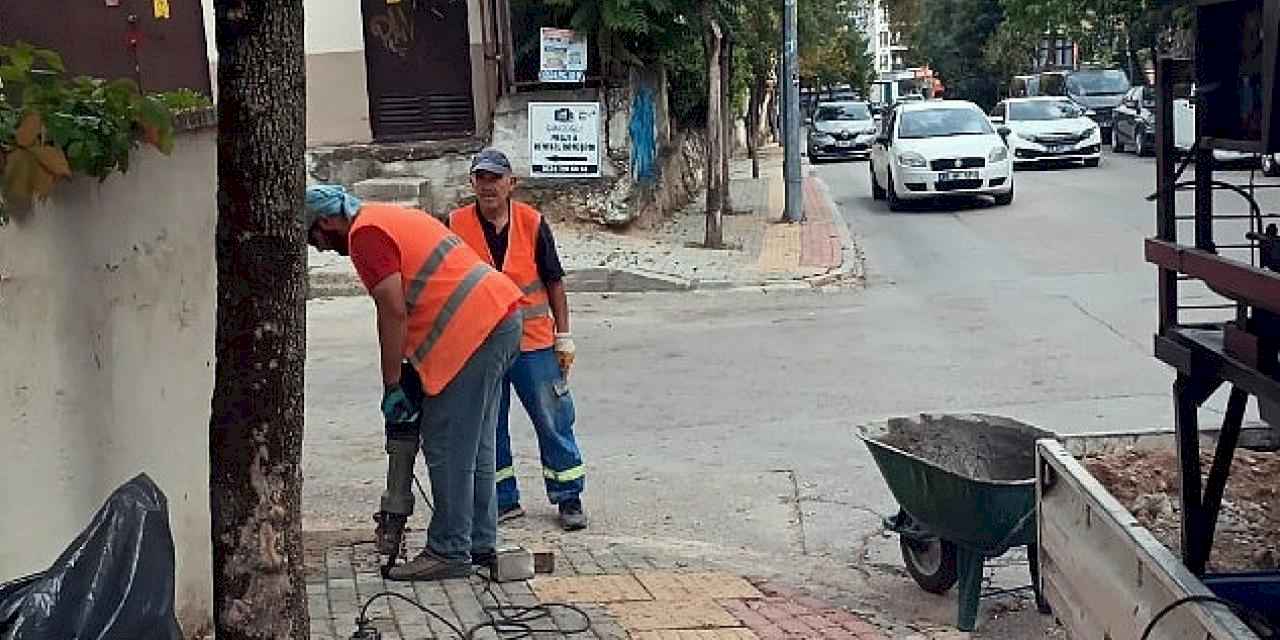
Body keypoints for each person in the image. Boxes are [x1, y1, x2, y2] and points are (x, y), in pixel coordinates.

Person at [304, 185, 522, 580]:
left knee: (447, 444)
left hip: (474, 331)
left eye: (313, 236)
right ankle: (479, 542)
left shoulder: (364, 236)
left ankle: (450, 551)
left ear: (327, 221)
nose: (317, 248)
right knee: (476, 446)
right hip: (499, 318)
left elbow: (392, 311)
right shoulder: (388, 215)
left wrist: (392, 385)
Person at [448, 149, 588, 531]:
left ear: (512, 183)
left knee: (552, 417)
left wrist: (564, 335)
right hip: (482, 344)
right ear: (471, 183)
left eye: (496, 178)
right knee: (489, 425)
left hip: (534, 343)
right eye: (481, 178)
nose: (488, 185)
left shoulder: (531, 222)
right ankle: (503, 500)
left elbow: (554, 281)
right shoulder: (455, 225)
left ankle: (568, 496)